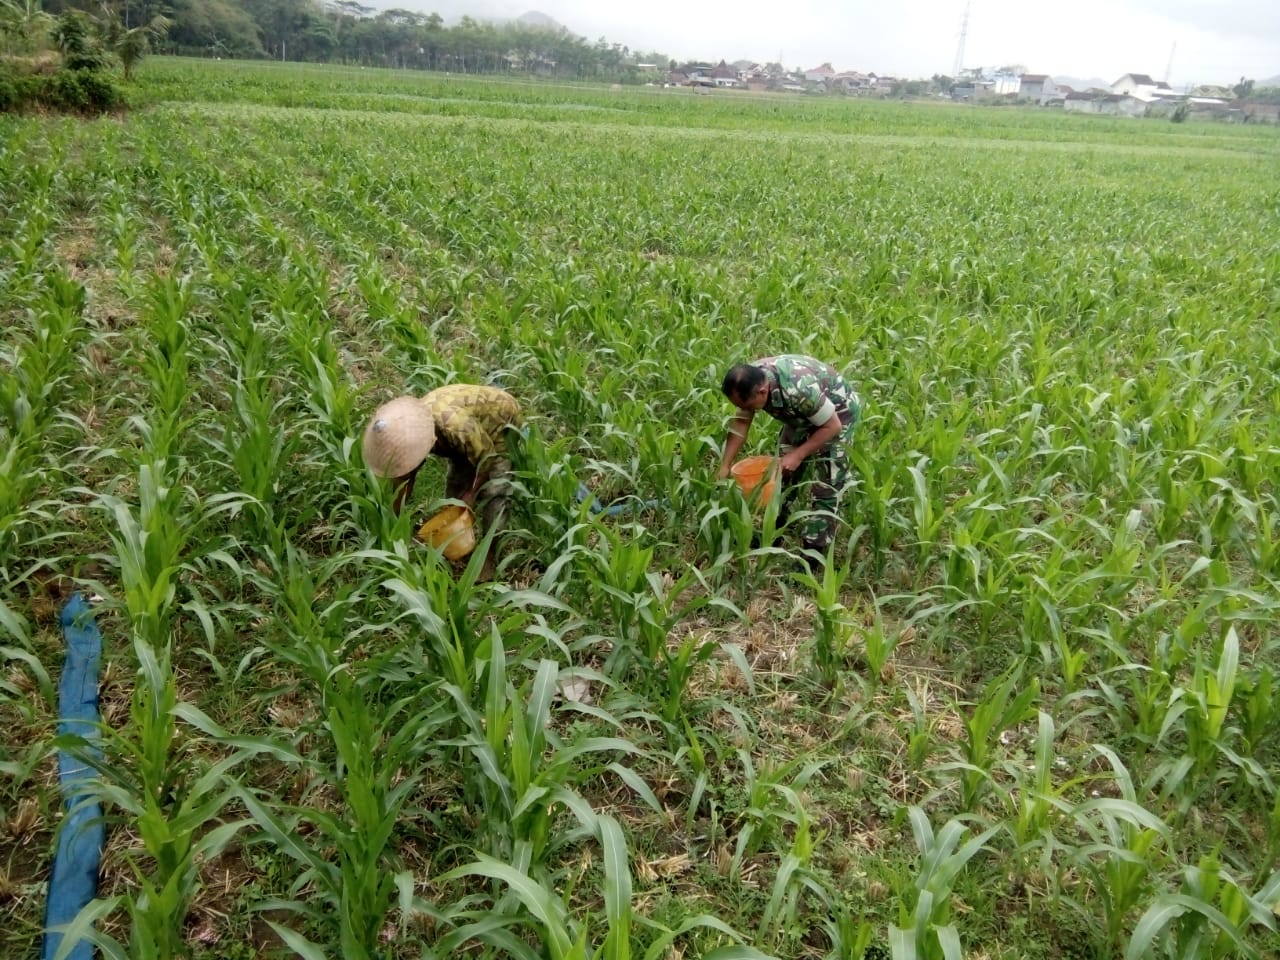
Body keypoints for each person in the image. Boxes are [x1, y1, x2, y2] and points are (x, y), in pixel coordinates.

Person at [718, 355, 860, 559]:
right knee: (781, 475)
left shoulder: (798, 390)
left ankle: (813, 552)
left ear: (762, 392)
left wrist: (798, 455)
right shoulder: (749, 382)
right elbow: (740, 423)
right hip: (801, 414)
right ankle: (774, 531)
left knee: (826, 483)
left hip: (838, 413)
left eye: (748, 406)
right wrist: (725, 465)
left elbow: (832, 426)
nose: (746, 410)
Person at [361, 385, 523, 563]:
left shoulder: (457, 428)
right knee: (455, 487)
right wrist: (391, 518)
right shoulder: (411, 429)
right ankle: (455, 543)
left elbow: (486, 460)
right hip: (466, 428)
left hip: (500, 420)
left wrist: (471, 493)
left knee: (495, 491)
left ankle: (491, 554)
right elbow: (406, 476)